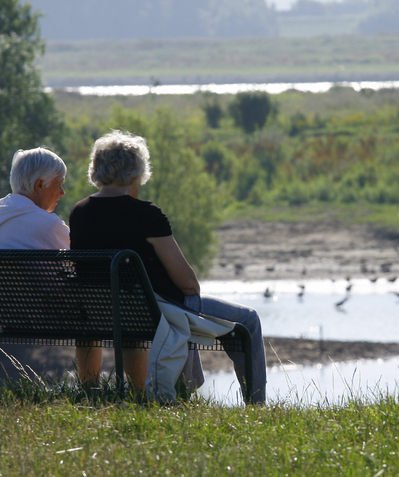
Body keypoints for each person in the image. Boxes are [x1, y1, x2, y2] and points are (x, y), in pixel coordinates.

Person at [69, 130, 267, 404]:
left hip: (100, 311)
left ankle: (184, 394)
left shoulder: (79, 212)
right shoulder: (147, 214)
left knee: (181, 308)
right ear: (137, 172)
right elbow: (188, 283)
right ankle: (257, 405)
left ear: (97, 169)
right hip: (149, 312)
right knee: (248, 320)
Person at [0, 147, 145, 389]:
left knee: (87, 310)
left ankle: (92, 389)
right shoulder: (45, 224)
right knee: (122, 313)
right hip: (50, 314)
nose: (62, 192)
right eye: (58, 185)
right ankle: (115, 390)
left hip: (10, 315)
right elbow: (81, 262)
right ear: (39, 186)